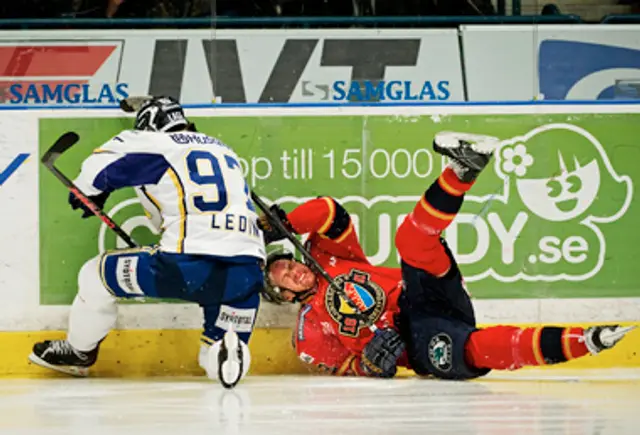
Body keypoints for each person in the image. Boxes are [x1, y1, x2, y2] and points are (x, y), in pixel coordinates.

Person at [258, 132, 633, 379]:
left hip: (422, 294)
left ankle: (462, 169)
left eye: (289, 262)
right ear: (285, 297)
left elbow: (329, 210)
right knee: (474, 348)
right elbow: (347, 368)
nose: (294, 271)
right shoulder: (310, 331)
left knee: (410, 239)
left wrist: (279, 224)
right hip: (420, 339)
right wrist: (370, 363)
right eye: (285, 277)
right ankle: (586, 341)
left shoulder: (327, 254)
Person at [29, 96, 265, 388]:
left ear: (149, 126)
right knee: (214, 360)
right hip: (247, 273)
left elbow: (96, 169)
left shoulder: (157, 144)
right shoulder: (223, 149)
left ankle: (79, 352)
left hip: (187, 266)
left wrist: (87, 192)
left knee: (95, 275)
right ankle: (228, 349)